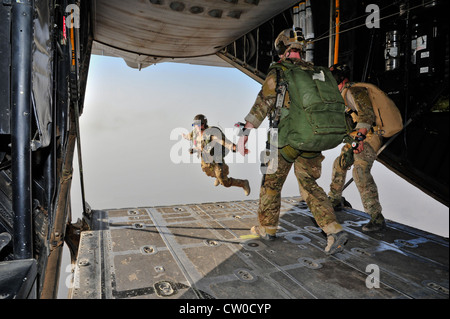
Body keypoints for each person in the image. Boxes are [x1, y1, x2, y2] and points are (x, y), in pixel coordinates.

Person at [237, 28, 347, 255]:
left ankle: (267, 228)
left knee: (271, 184)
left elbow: (263, 103)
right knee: (309, 185)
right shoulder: (318, 72)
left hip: (285, 141)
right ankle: (333, 229)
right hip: (314, 141)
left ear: (281, 48)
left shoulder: (279, 72)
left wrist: (244, 135)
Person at [327, 63, 386, 232]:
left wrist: (359, 139)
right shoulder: (342, 95)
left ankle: (377, 217)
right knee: (340, 163)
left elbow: (367, 115)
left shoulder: (354, 91)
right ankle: (335, 200)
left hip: (370, 136)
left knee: (360, 171)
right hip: (358, 136)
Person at [184, 114, 251, 196]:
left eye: (199, 125)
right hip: (206, 158)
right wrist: (185, 137)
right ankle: (217, 176)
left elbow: (224, 142)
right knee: (207, 170)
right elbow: (190, 137)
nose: (196, 127)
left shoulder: (211, 134)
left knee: (224, 182)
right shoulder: (195, 133)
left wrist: (234, 147)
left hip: (216, 158)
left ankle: (243, 183)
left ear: (203, 124)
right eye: (194, 125)